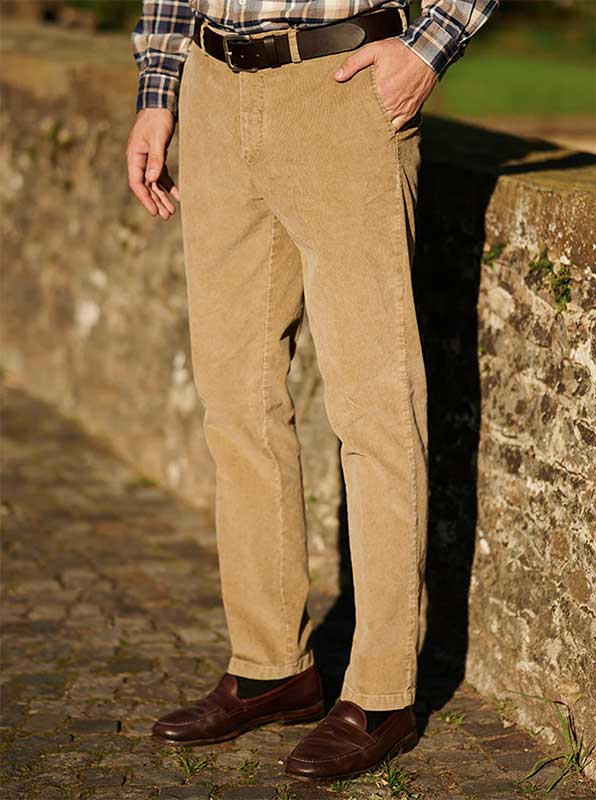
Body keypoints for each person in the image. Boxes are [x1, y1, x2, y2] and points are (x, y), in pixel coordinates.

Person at [126, 0, 498, 782]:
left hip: (340, 88)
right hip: (212, 90)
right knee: (236, 404)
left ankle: (383, 693)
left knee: (375, 407)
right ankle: (271, 668)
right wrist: (158, 91)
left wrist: (430, 46)